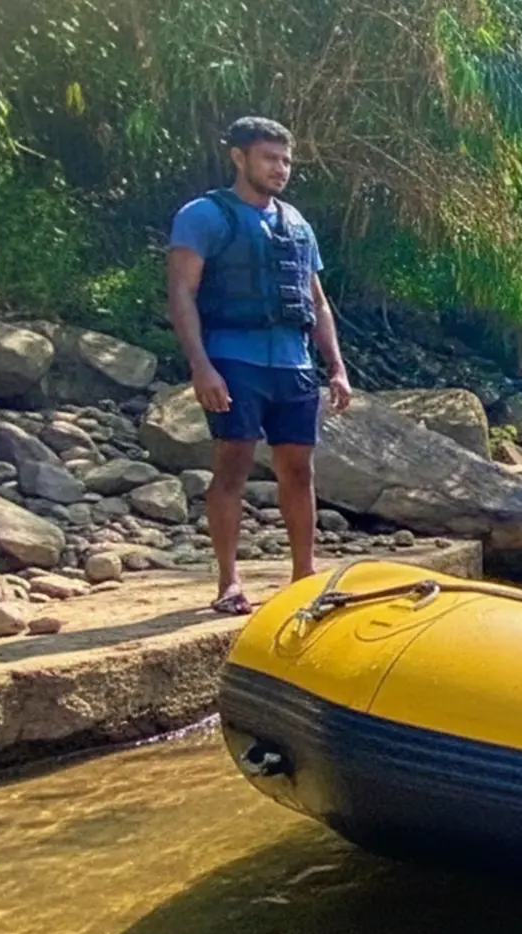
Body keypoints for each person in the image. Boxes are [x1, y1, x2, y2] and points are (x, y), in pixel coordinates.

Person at [166, 116, 353, 616]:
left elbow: (317, 301)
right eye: (270, 158)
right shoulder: (204, 215)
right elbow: (182, 292)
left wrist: (335, 366)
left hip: (293, 365)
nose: (281, 169)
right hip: (234, 357)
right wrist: (201, 366)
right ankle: (229, 582)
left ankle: (303, 576)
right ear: (239, 157)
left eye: (286, 160)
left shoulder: (296, 224)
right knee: (233, 466)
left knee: (299, 469)